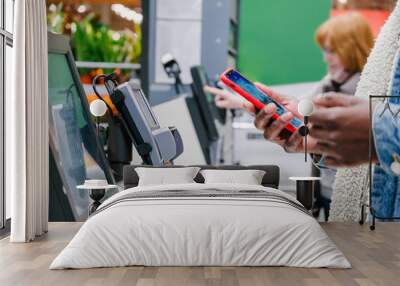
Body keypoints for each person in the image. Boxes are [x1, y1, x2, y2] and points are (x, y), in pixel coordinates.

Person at [205, 13, 374, 219]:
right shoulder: (331, 82)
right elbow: (299, 107)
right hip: (327, 184)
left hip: (355, 194)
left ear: (352, 48)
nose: (325, 58)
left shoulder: (366, 91)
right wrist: (240, 101)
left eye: (331, 51)